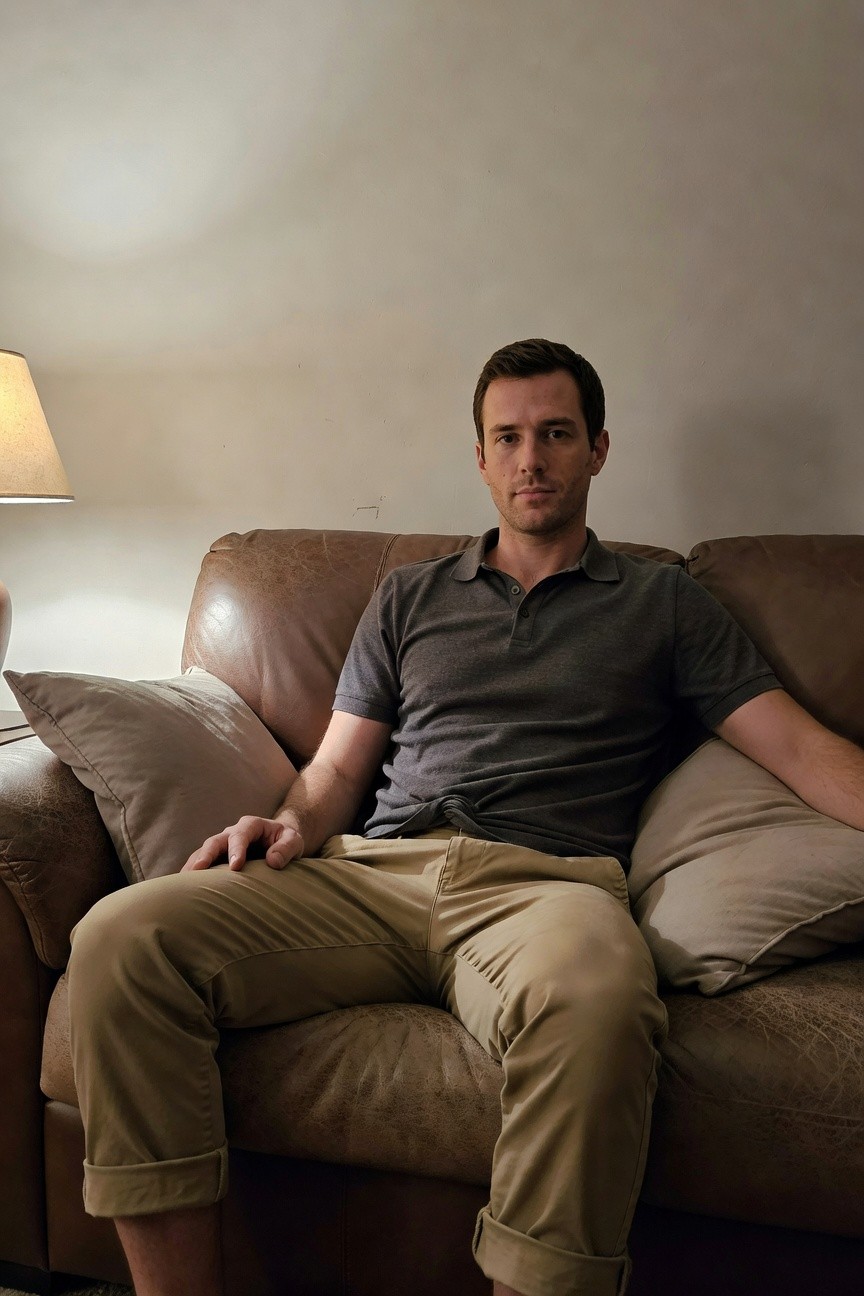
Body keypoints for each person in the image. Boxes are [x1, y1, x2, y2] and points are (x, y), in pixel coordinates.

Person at [67, 340, 864, 1296]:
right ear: (481, 458)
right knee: (121, 935)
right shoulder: (408, 596)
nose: (533, 459)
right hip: (376, 872)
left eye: (557, 434)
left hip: (545, 891)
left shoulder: (666, 604)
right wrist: (285, 827)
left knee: (602, 1006)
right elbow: (334, 768)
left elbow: (803, 751)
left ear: (599, 450)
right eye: (510, 437)